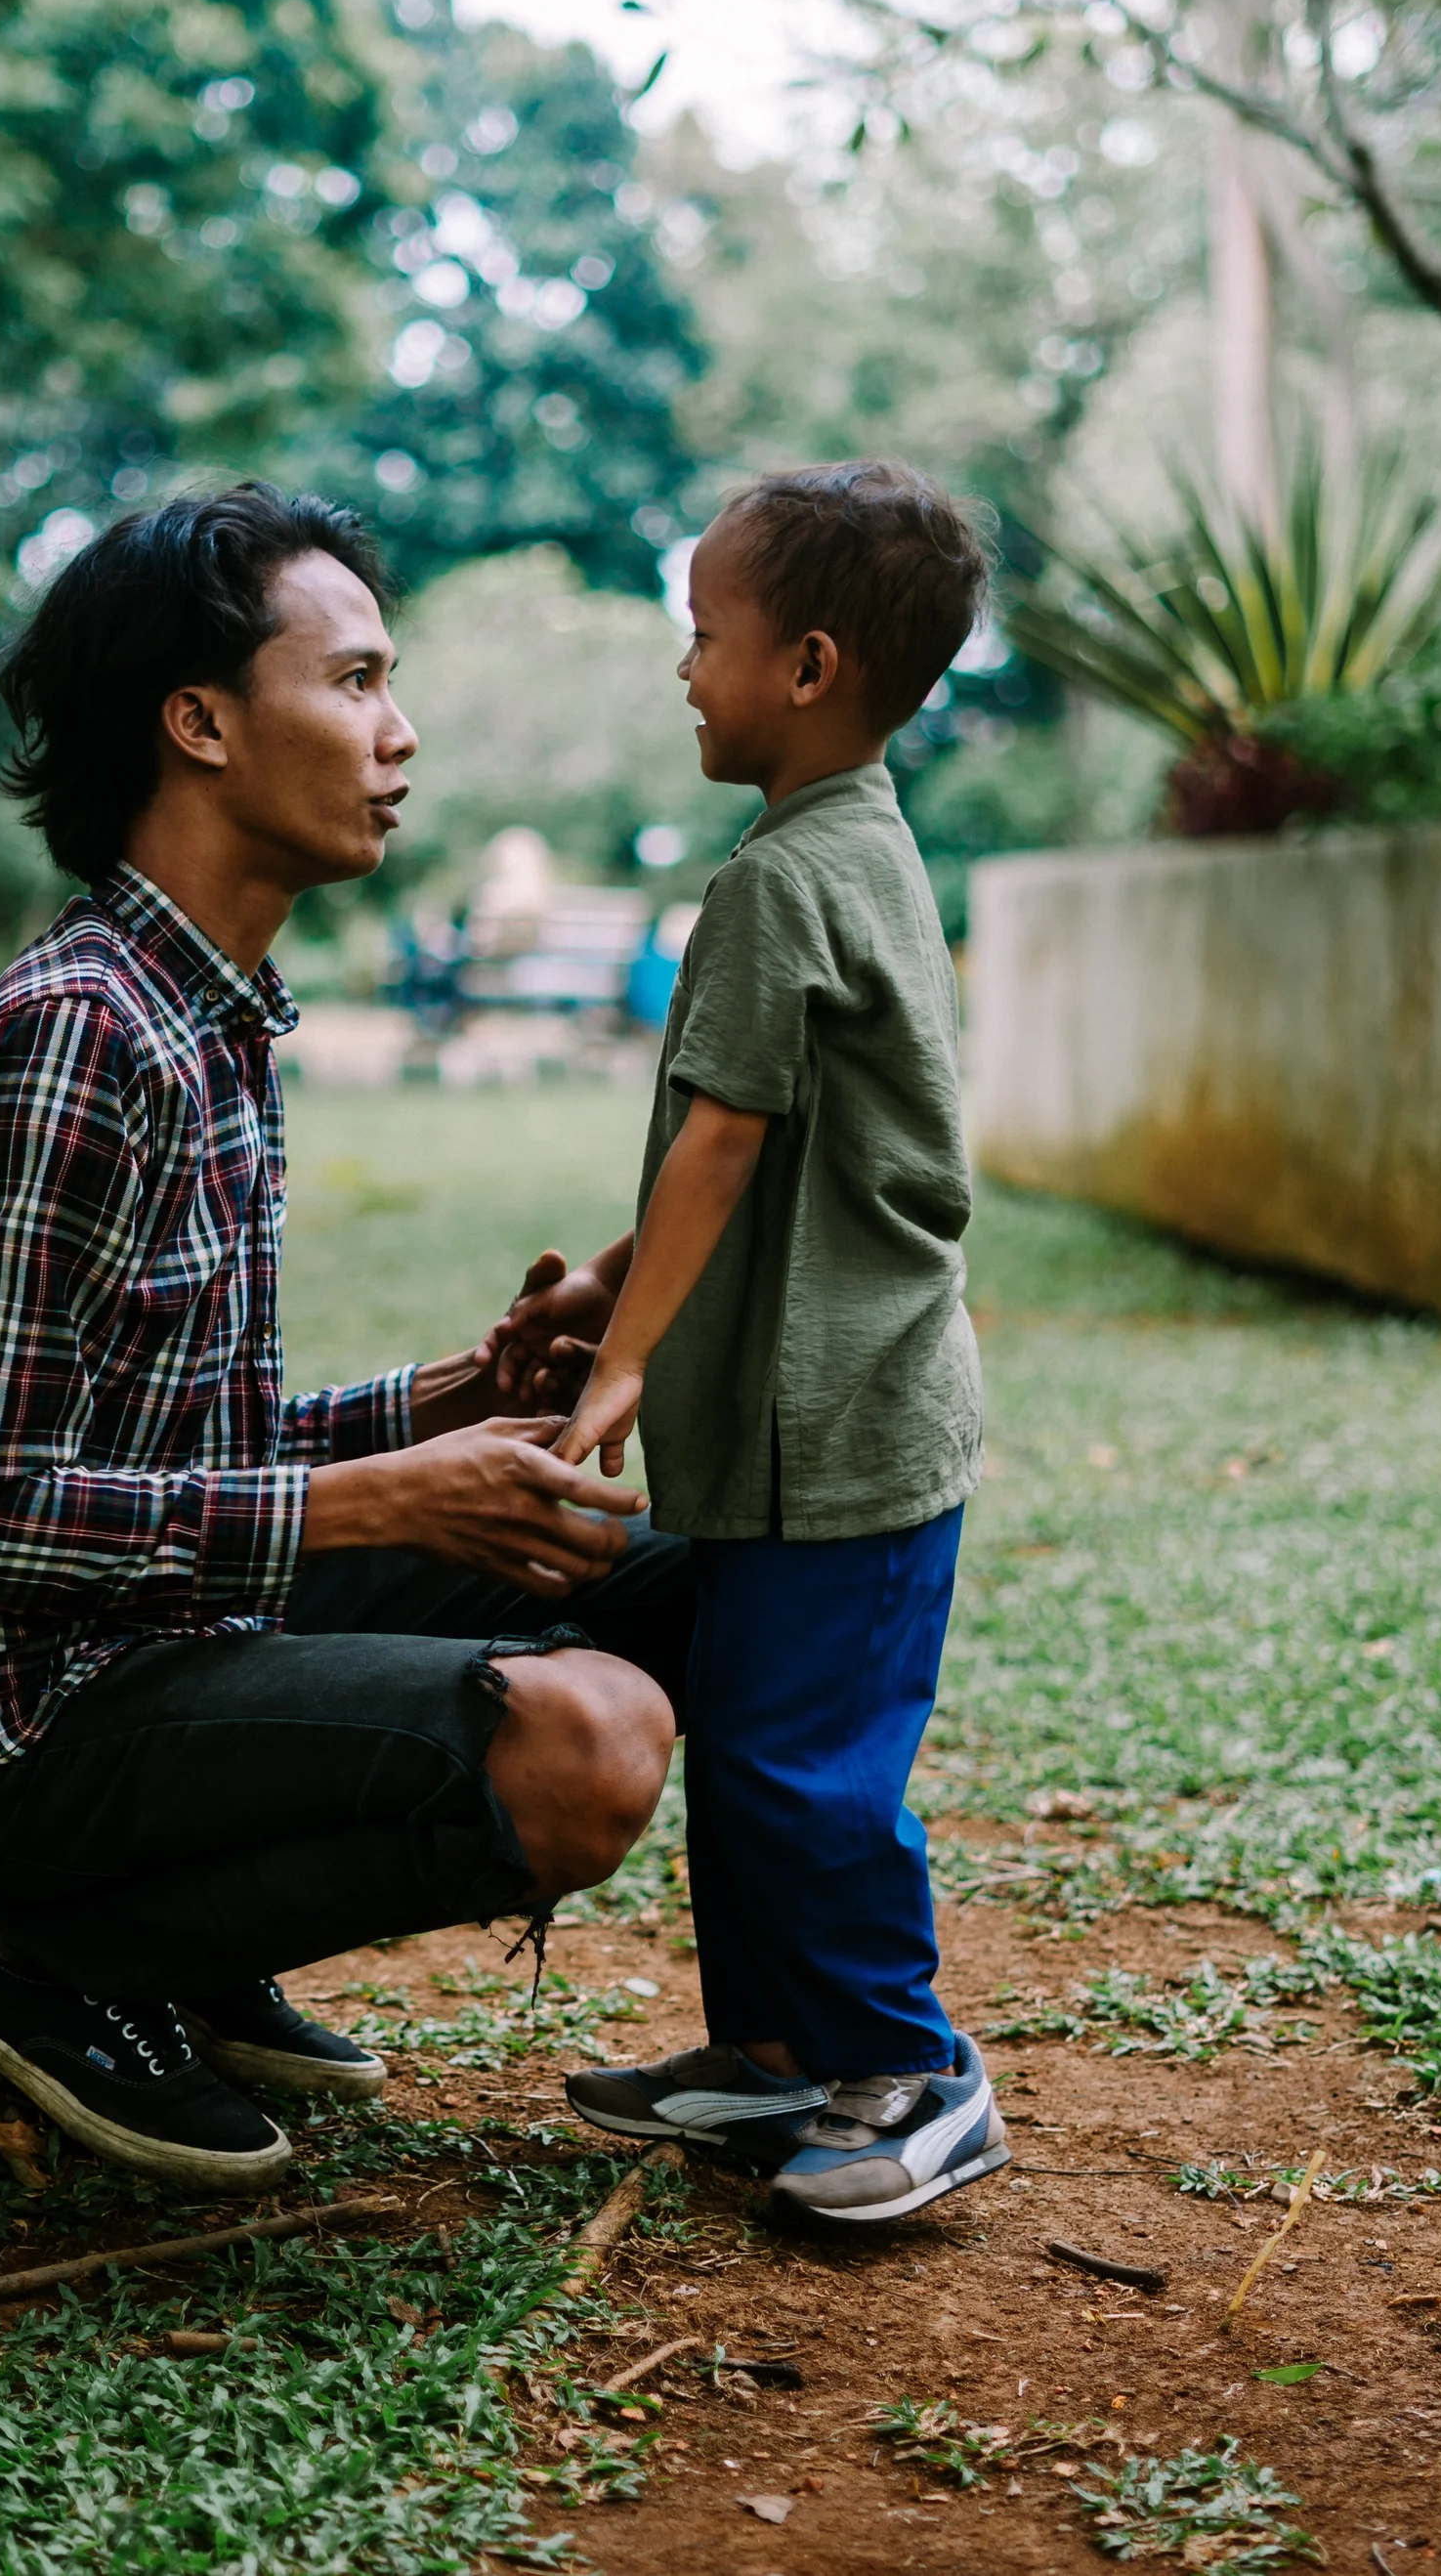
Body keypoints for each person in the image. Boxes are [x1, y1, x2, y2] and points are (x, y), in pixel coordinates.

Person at [0, 485, 683, 2196]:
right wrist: (388, 1502)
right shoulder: (78, 1046)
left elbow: (184, 1435)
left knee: (666, 1558)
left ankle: (180, 1937)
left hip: (141, 1635)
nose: (399, 732)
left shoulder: (213, 1023)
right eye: (352, 682)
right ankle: (56, 1952)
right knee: (590, 1738)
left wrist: (456, 1399)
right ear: (198, 720)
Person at [486, 460, 1003, 2227]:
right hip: (820, 1426)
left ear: (808, 666)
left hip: (845, 1433)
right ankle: (778, 2055)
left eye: (702, 634)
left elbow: (721, 1137)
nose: (681, 667)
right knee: (764, 1749)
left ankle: (912, 2070)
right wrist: (607, 1291)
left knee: (805, 1770)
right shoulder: (857, 851)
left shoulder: (782, 884)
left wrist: (620, 1363)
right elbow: (756, 1145)